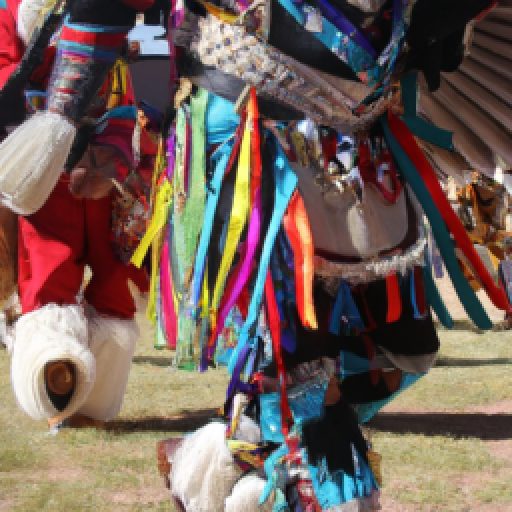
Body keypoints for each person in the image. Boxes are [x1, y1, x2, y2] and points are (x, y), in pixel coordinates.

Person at [1, 0, 150, 429]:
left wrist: (124, 147)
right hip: (47, 158)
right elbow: (5, 72)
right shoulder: (10, 8)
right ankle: (57, 390)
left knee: (118, 277)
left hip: (114, 150)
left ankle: (94, 401)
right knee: (50, 273)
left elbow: (139, 61)